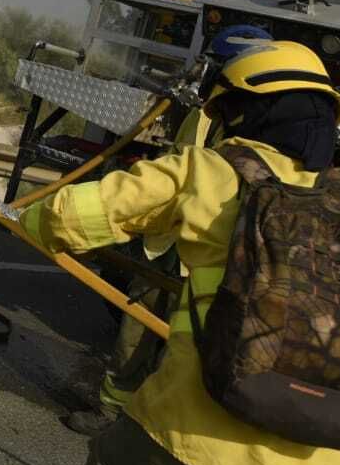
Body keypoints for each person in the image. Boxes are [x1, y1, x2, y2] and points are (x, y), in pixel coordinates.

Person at [0, 40, 340, 465]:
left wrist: (21, 221)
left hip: (186, 440)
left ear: (243, 111)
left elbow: (67, 219)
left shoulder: (205, 172)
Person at [61, 24, 272, 437]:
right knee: (135, 327)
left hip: (211, 252)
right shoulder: (201, 112)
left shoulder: (263, 128)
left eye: (215, 64)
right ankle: (112, 410)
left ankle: (158, 426)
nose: (205, 72)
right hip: (167, 240)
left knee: (189, 345)